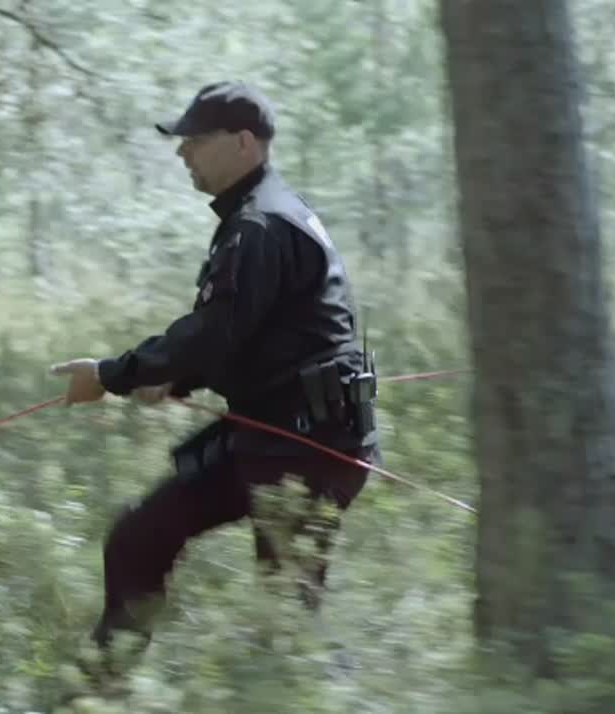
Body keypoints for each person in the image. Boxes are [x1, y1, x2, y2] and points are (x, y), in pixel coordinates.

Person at [50, 80, 381, 651]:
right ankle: (101, 685)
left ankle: (312, 685)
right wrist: (176, 376)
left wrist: (110, 375)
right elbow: (254, 332)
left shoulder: (261, 224)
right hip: (274, 433)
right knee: (139, 538)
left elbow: (213, 333)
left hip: (307, 447)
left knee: (286, 617)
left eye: (197, 140)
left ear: (244, 143)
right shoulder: (266, 212)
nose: (184, 152)